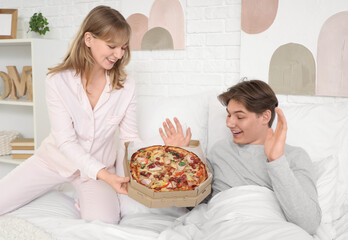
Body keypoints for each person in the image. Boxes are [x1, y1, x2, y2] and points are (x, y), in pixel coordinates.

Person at [0, 6, 137, 224]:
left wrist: (161, 154)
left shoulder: (126, 86)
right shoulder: (57, 81)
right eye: (112, 46)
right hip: (54, 161)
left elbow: (130, 138)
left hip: (99, 168)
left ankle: (83, 197)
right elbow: (65, 141)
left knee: (103, 225)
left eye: (123, 47)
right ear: (89, 39)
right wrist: (104, 174)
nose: (119, 55)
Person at [160, 79, 322, 235]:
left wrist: (276, 161)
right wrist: (178, 159)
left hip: (272, 226)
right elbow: (193, 203)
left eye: (239, 116)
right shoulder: (219, 151)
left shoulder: (295, 156)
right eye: (229, 115)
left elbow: (308, 223)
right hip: (225, 225)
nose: (229, 123)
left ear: (265, 117)